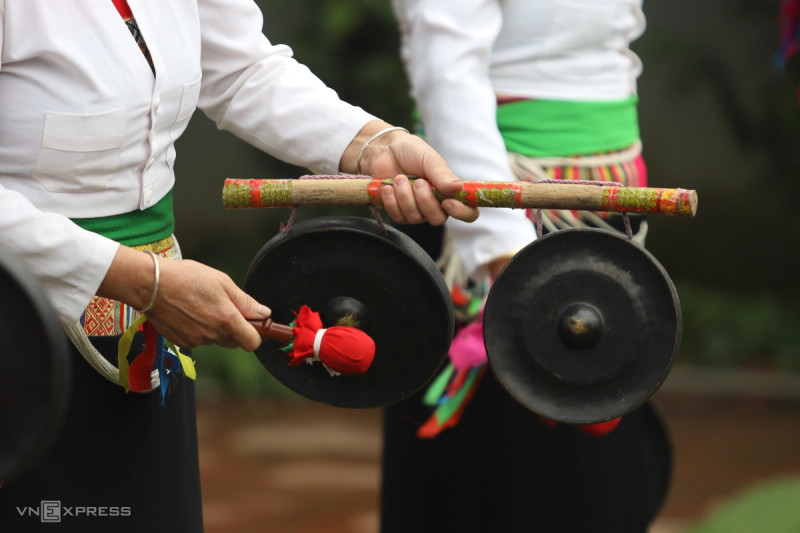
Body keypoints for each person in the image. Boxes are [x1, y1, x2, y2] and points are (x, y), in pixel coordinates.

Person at [0, 0, 478, 530]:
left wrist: (373, 144)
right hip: (15, 342)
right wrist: (145, 282)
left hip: (144, 335)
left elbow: (240, 69)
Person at [381, 1, 673, 531]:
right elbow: (447, 64)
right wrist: (508, 259)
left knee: (593, 487)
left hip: (603, 218)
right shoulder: (503, 246)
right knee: (501, 485)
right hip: (493, 226)